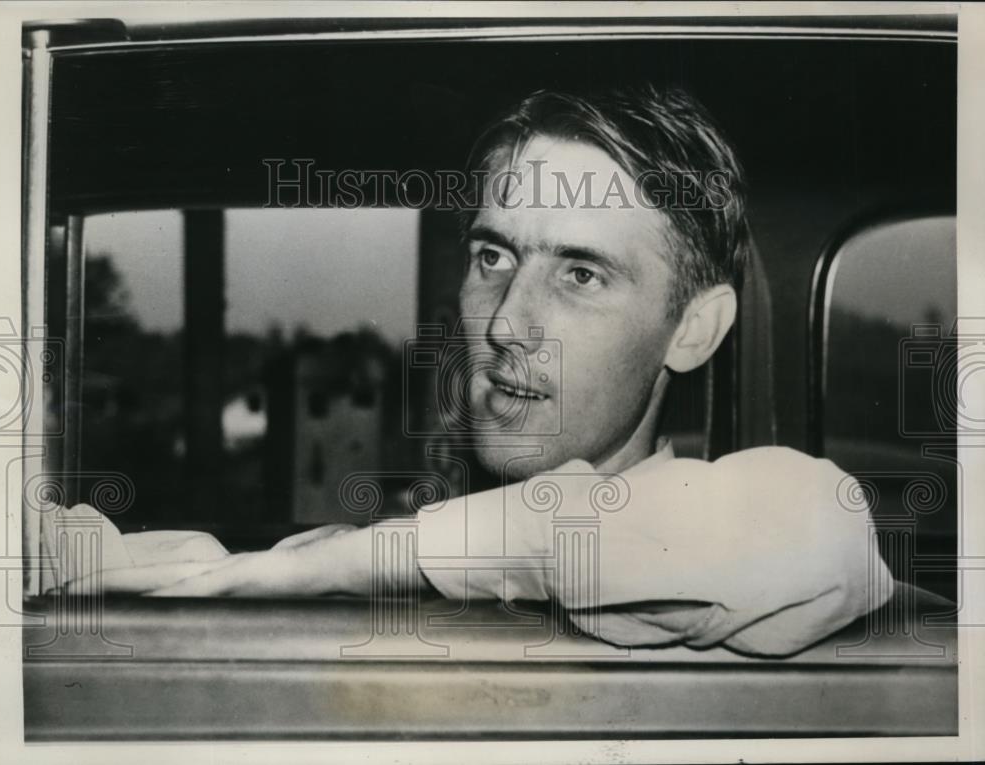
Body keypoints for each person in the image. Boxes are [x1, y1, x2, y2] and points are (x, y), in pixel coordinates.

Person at [64, 85, 893, 656]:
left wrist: (359, 561)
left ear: (695, 328)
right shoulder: (381, 548)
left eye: (581, 274)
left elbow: (824, 531)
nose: (504, 322)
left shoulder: (749, 555)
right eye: (493, 255)